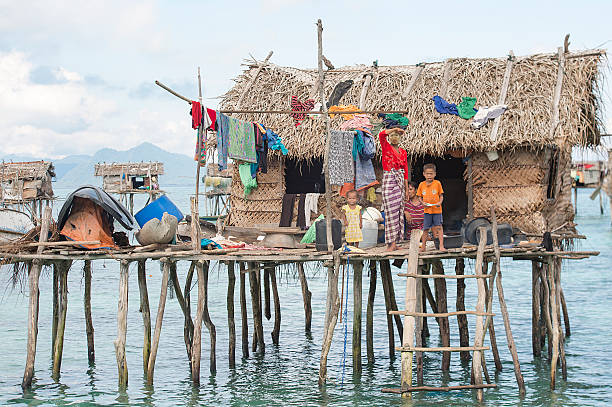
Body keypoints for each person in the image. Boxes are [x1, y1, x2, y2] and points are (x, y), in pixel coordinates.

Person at [379, 127, 409, 251]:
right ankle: (389, 244)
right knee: (390, 213)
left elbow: (405, 172)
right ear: (389, 138)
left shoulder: (403, 152)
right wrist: (395, 129)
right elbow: (381, 135)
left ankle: (395, 243)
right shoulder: (386, 147)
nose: (394, 137)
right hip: (389, 181)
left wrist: (406, 190)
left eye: (397, 135)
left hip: (400, 182)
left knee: (398, 213)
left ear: (400, 138)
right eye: (392, 135)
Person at [417, 163, 444, 251]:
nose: (429, 175)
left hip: (437, 210)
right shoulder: (421, 185)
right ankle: (423, 247)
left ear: (435, 174)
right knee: (425, 229)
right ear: (424, 174)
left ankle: (441, 246)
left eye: (431, 173)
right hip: (427, 211)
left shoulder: (437, 183)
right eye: (427, 173)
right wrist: (422, 203)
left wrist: (439, 202)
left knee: (439, 227)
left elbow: (441, 196)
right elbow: (419, 197)